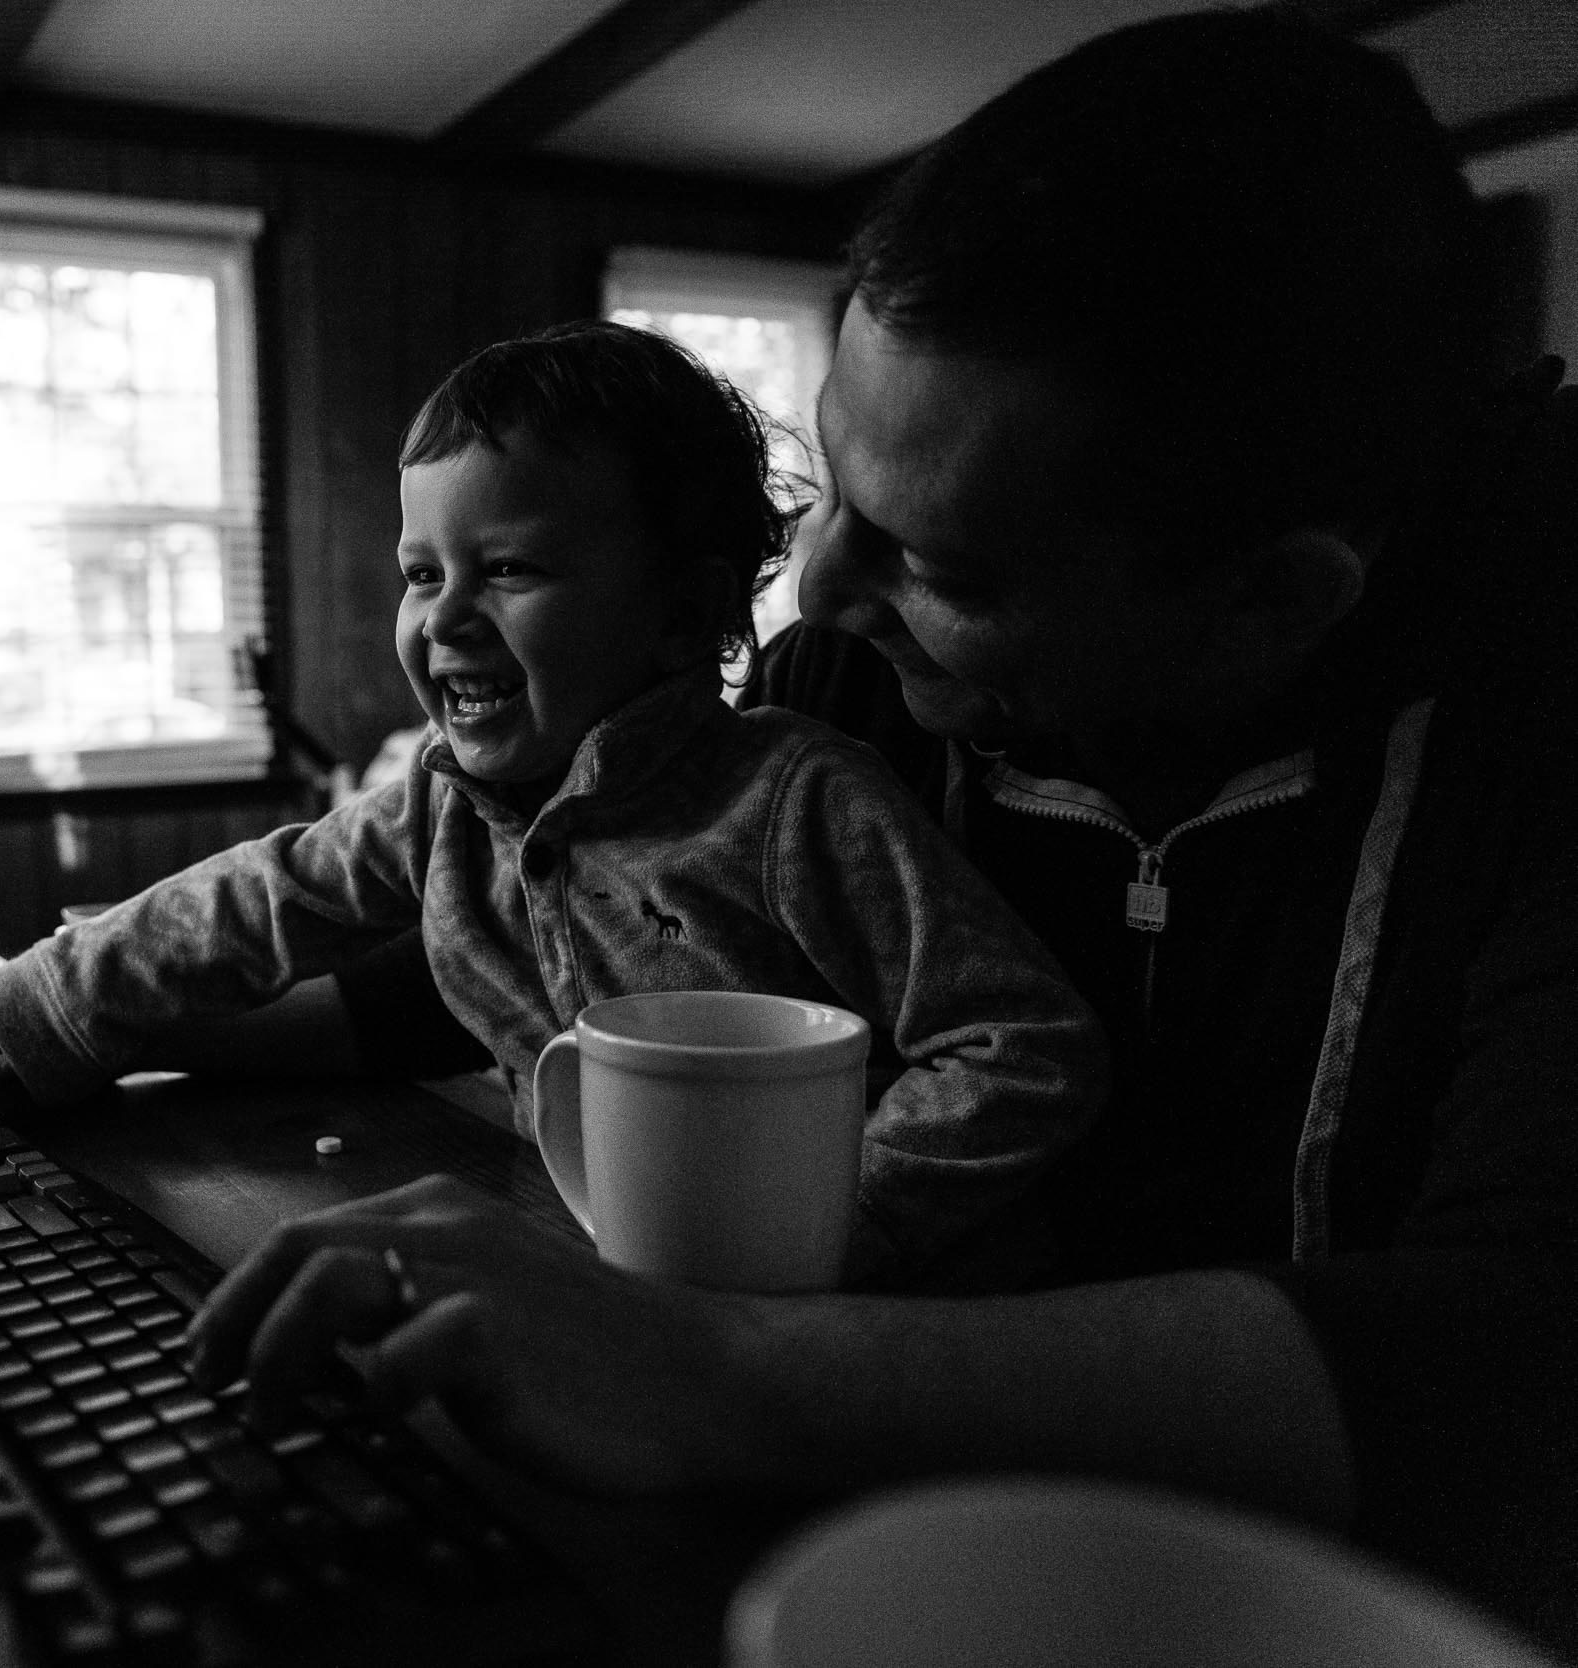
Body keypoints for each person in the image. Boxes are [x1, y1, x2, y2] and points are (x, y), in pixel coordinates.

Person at [184, 10, 1578, 1655]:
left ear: (1275, 600)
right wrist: (108, 1043)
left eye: (946, 568)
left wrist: (713, 1366)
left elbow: (1519, 1356)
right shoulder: (847, 676)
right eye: (835, 486)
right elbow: (622, 938)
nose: (820, 594)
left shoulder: (1540, 715)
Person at [0, 320, 1107, 1286]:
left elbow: (1020, 1048)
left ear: (689, 603)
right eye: (419, 573)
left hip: (884, 1327)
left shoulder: (801, 801)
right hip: (601, 1265)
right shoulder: (446, 802)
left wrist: (825, 1234)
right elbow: (238, 910)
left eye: (508, 569)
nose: (444, 617)